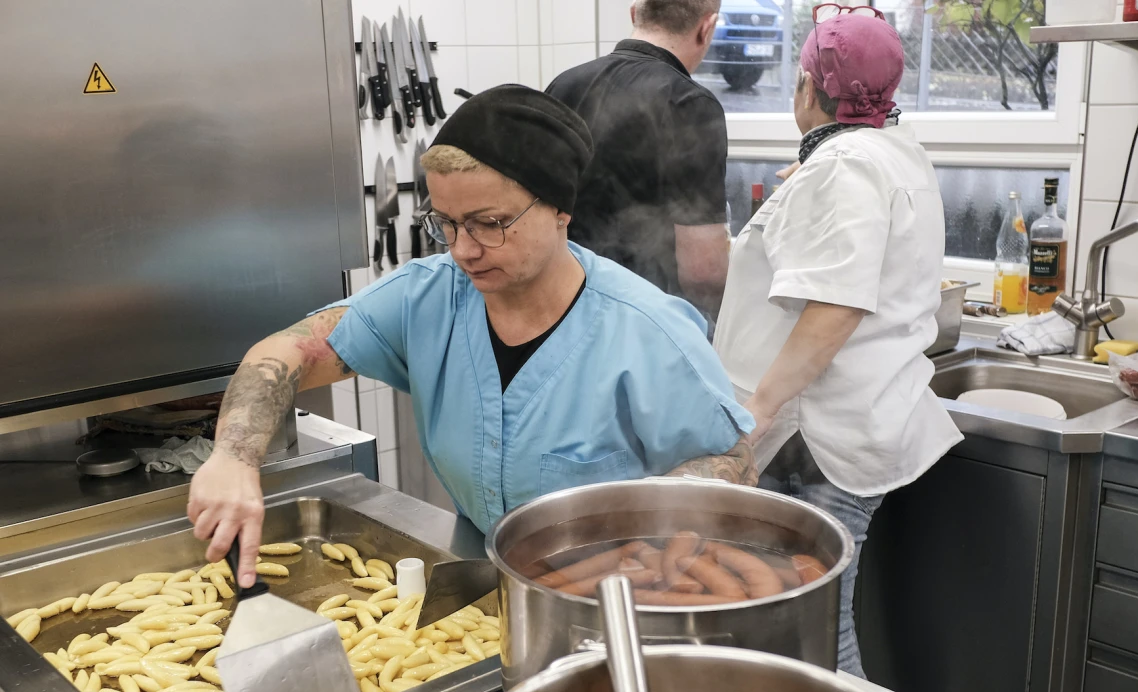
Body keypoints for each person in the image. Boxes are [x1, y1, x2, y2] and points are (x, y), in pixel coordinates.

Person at [189, 85, 756, 586]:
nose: (463, 248)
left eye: (490, 223)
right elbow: (285, 351)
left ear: (560, 208)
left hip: (625, 600)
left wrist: (647, 531)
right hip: (490, 590)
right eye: (447, 224)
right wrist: (235, 456)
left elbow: (733, 460)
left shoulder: (647, 332)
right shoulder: (426, 298)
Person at [712, 9, 962, 677]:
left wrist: (751, 423)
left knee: (811, 632)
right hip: (847, 427)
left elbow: (835, 308)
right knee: (804, 626)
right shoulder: (892, 154)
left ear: (806, 88)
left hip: (817, 442)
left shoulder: (844, 165)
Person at [546, 0, 729, 321]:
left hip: (559, 306)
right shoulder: (690, 103)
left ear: (634, 13)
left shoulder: (563, 84)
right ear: (707, 27)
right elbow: (702, 273)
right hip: (643, 318)